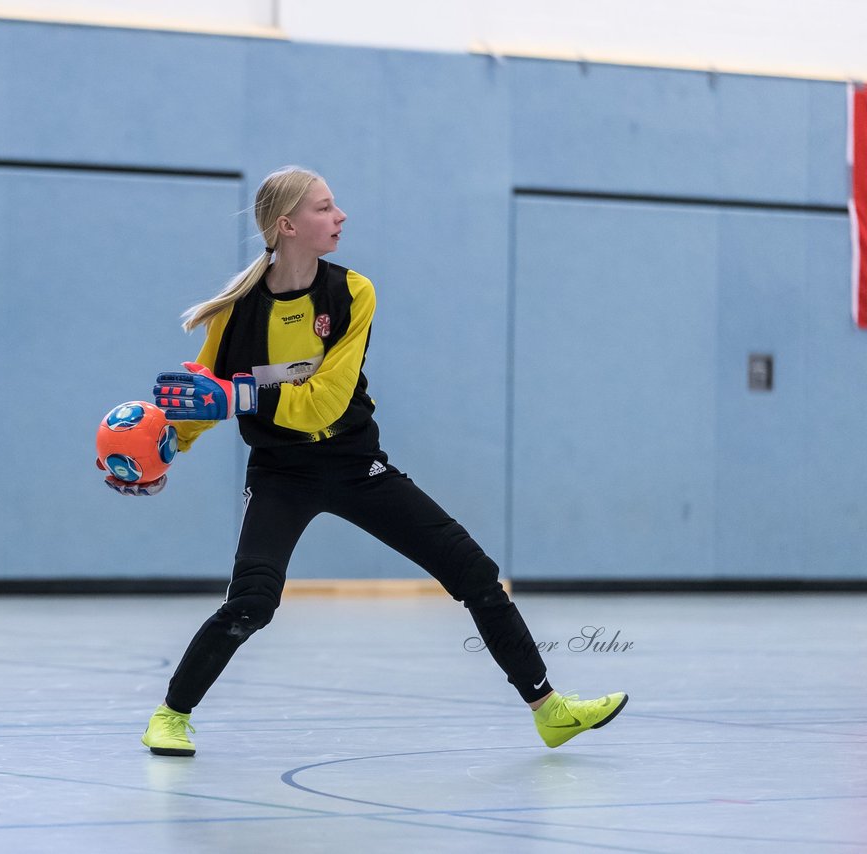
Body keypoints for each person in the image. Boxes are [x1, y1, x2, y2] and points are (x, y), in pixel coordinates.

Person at [106, 165, 627, 756]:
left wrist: (238, 397)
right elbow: (201, 400)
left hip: (356, 464)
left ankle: (550, 710)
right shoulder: (235, 314)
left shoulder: (352, 292)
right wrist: (159, 457)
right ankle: (170, 717)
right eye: (325, 207)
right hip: (280, 474)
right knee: (252, 601)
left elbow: (324, 398)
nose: (341, 216)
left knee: (474, 573)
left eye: (336, 206)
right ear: (289, 225)